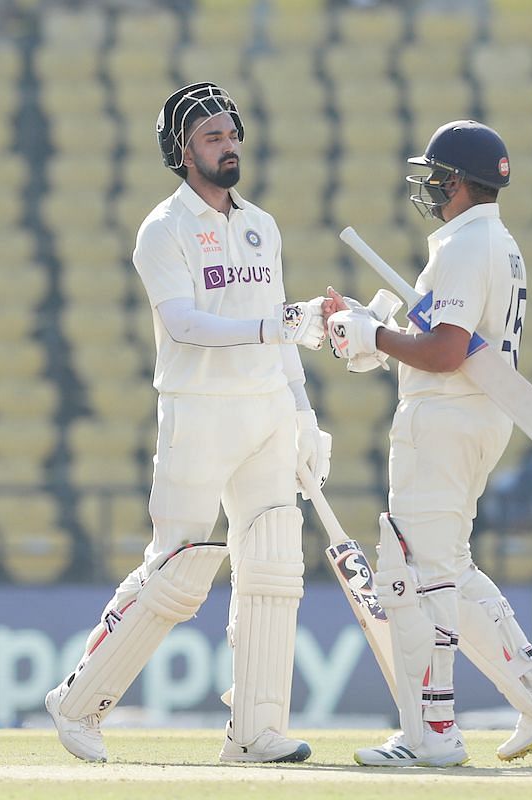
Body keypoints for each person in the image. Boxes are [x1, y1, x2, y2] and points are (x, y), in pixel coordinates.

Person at [44, 82, 331, 765]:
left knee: (273, 566)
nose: (229, 146)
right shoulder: (163, 228)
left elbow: (284, 335)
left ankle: (255, 733)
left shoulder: (263, 223)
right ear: (182, 150)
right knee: (176, 570)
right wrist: (273, 324)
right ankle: (78, 702)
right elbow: (184, 323)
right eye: (212, 137)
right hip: (198, 414)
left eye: (232, 134)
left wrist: (304, 414)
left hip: (266, 411)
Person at [324, 120, 532, 767]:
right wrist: (378, 327)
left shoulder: (467, 243)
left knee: (412, 579)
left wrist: (371, 338)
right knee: (447, 568)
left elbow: (444, 351)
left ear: (457, 182)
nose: (430, 188)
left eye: (435, 177)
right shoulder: (495, 241)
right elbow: (447, 337)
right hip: (478, 416)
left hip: (443, 419)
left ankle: (431, 734)